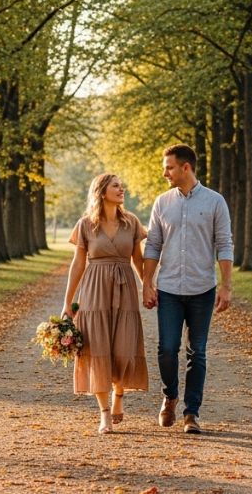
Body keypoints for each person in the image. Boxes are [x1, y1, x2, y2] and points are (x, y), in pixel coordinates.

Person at [141, 144, 233, 435]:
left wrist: (227, 286)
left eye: (169, 167)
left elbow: (225, 244)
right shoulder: (162, 203)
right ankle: (170, 395)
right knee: (167, 349)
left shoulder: (215, 201)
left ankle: (191, 413)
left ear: (186, 168)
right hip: (168, 288)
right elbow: (153, 244)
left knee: (198, 352)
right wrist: (146, 283)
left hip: (202, 289)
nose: (164, 172)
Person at [61, 173, 150, 434]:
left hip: (125, 289)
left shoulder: (131, 222)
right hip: (94, 290)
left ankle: (119, 397)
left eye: (122, 185)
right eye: (115, 186)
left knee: (124, 346)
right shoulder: (86, 225)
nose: (121, 189)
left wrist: (148, 285)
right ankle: (104, 414)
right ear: (101, 192)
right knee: (97, 347)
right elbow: (78, 264)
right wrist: (68, 302)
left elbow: (138, 260)